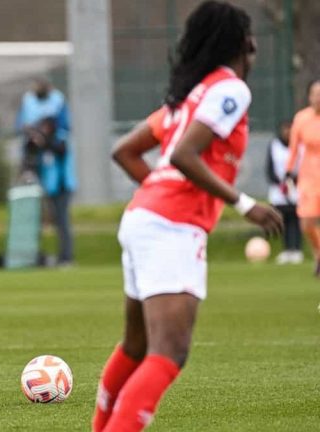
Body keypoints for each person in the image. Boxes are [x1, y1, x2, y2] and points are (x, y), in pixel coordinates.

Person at [92, 2, 282, 431]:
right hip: (171, 226)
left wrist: (158, 193)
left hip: (144, 217)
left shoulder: (188, 97)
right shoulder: (230, 89)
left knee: (137, 347)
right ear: (244, 43)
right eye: (250, 38)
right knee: (169, 352)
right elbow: (183, 154)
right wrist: (245, 203)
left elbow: (126, 151)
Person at [16, 78, 76, 266]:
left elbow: (61, 146)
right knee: (34, 219)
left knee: (61, 219)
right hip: (38, 178)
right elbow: (22, 129)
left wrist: (45, 140)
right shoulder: (29, 104)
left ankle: (66, 257)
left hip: (59, 183)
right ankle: (34, 256)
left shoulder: (59, 137)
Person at [285, 79, 320, 276]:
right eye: (315, 93)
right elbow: (294, 148)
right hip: (309, 176)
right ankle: (319, 253)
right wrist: (289, 171)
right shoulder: (301, 118)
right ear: (309, 96)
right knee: (306, 222)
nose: (318, 97)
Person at [267, 120, 303, 264]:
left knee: (296, 219)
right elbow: (269, 168)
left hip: (296, 188)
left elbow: (302, 166)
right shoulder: (274, 146)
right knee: (283, 220)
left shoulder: (300, 146)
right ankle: (287, 250)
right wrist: (280, 183)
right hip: (279, 190)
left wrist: (292, 181)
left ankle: (296, 249)